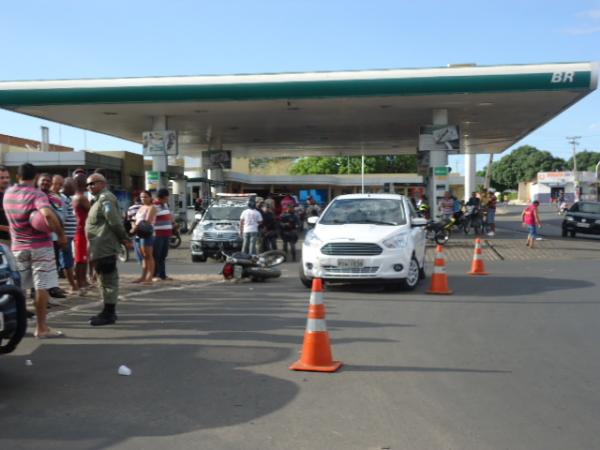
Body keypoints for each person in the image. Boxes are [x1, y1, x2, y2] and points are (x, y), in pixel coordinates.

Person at [4, 163, 66, 338]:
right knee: (42, 286)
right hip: (40, 248)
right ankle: (42, 327)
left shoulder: (9, 193)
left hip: (17, 247)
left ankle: (16, 326)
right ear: (36, 177)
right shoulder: (37, 194)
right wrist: (60, 234)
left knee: (19, 289)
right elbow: (46, 214)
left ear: (18, 176)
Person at [85, 173, 130, 326]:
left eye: (93, 183)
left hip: (105, 246)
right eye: (88, 185)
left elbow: (115, 221)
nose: (90, 187)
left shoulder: (106, 199)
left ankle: (109, 313)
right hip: (98, 247)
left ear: (103, 184)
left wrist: (124, 238)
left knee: (108, 281)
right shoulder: (97, 200)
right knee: (103, 280)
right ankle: (106, 310)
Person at [38, 173, 67, 299]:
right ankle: (37, 293)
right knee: (38, 268)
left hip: (53, 238)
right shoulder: (32, 196)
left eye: (48, 181)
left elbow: (60, 216)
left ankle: (51, 290)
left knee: (52, 265)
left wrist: (61, 233)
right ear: (38, 181)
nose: (46, 183)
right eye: (43, 180)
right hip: (37, 238)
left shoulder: (55, 198)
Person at [131, 190, 156, 284]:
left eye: (145, 197)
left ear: (150, 197)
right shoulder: (141, 207)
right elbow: (135, 219)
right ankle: (143, 276)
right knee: (143, 256)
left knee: (148, 255)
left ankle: (150, 277)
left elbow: (147, 222)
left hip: (146, 233)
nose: (143, 199)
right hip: (138, 234)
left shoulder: (152, 207)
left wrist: (136, 227)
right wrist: (134, 226)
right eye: (142, 197)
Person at [59, 178, 79, 293]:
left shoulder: (67, 198)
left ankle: (72, 284)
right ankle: (73, 285)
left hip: (68, 236)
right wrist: (62, 235)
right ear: (67, 187)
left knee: (67, 260)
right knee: (67, 262)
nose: (75, 189)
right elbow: (61, 218)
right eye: (74, 186)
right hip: (65, 236)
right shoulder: (62, 198)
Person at [72, 174, 91, 292]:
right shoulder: (81, 198)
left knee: (81, 258)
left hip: (79, 230)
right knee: (82, 258)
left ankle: (81, 281)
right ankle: (81, 282)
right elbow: (92, 211)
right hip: (81, 231)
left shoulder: (75, 197)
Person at [153, 188, 173, 281]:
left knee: (163, 255)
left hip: (166, 233)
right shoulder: (154, 206)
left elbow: (168, 216)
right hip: (158, 234)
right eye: (167, 197)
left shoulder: (165, 205)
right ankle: (155, 274)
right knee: (157, 255)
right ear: (163, 197)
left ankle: (162, 275)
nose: (168, 198)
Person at [0, 165, 11, 247]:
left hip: (14, 240)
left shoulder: (13, 194)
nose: (5, 180)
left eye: (7, 177)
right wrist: (8, 228)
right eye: (2, 178)